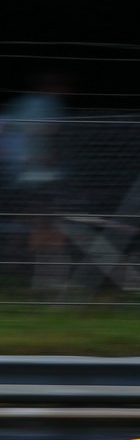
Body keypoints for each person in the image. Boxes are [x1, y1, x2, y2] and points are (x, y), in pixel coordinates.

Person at [1, 72, 70, 291]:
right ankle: (46, 280)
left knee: (35, 225)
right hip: (42, 177)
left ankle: (32, 275)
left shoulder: (19, 105)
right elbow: (48, 132)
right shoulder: (48, 103)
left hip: (20, 176)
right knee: (46, 226)